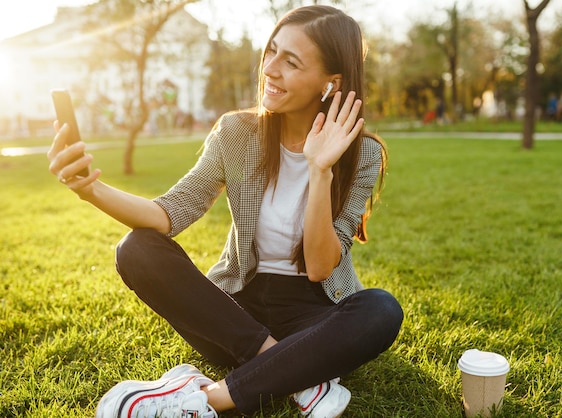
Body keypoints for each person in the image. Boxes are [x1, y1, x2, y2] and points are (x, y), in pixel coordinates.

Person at [47, 5, 403, 418]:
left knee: (381, 309)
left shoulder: (362, 156)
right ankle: (299, 375)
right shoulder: (236, 134)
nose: (270, 68)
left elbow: (321, 267)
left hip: (314, 312)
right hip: (235, 315)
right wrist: (91, 190)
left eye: (291, 61)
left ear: (331, 82)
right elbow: (169, 212)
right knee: (136, 248)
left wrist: (320, 170)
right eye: (271, 52)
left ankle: (205, 399)